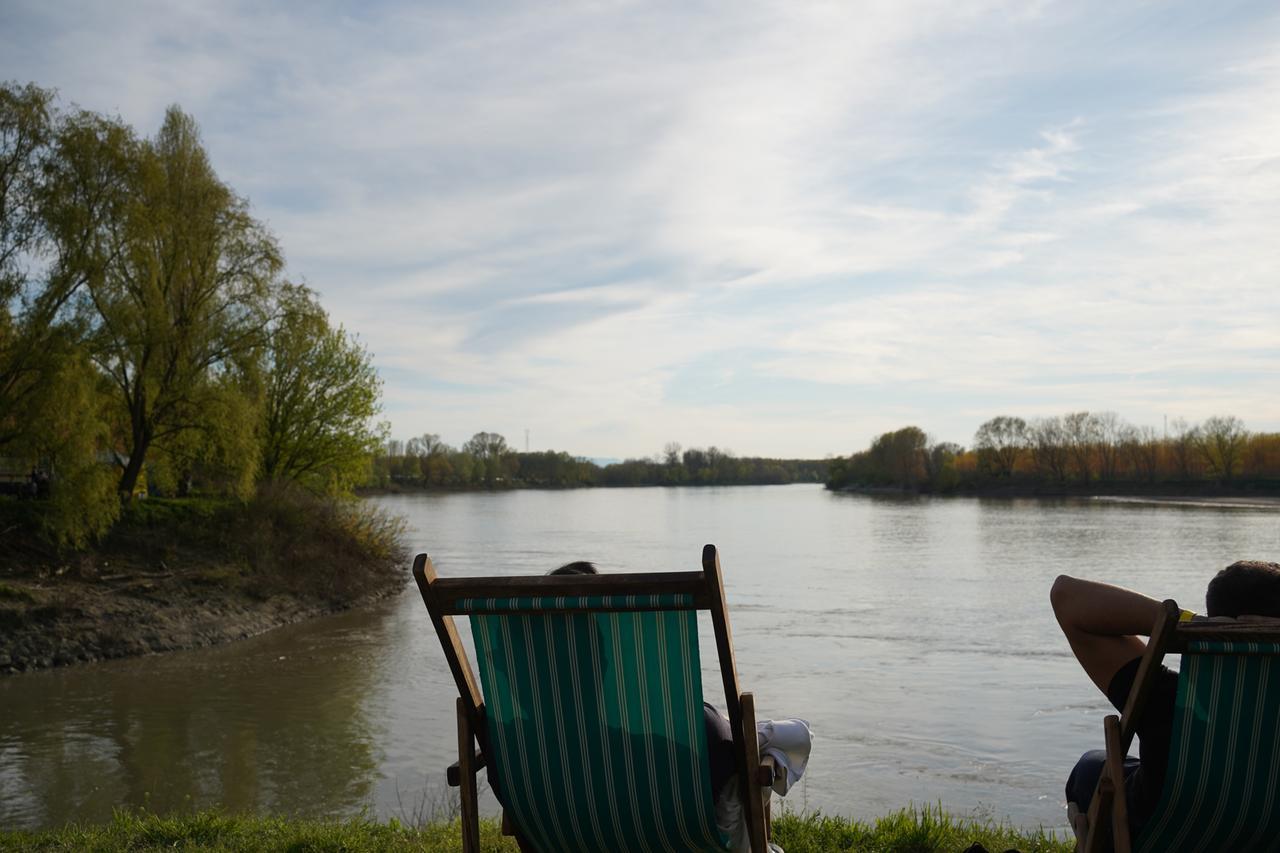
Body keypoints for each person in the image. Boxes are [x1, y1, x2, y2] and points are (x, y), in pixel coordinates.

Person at [1052, 560, 1280, 836]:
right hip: (1264, 833)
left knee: (1091, 766)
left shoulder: (1172, 702)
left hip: (1161, 833)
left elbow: (1065, 595)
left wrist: (1190, 624)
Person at [549, 560, 738, 803]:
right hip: (672, 833)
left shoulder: (513, 747)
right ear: (603, 656)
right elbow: (723, 753)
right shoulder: (669, 733)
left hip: (559, 836)